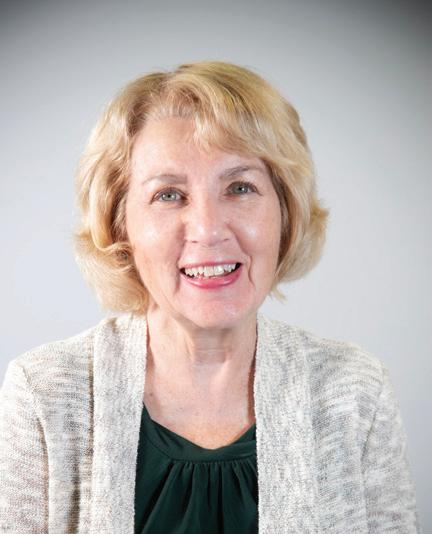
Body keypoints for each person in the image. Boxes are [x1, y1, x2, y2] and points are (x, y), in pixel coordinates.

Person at [0, 60, 421, 533]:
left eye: (240, 188)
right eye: (169, 195)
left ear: (286, 213)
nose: (208, 228)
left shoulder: (355, 391)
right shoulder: (44, 394)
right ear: (120, 224)